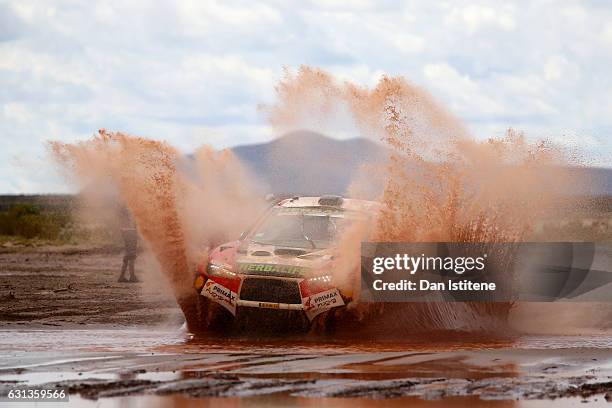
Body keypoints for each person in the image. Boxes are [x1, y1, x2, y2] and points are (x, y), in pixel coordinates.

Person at [117, 206, 139, 283]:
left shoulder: (123, 212)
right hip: (131, 232)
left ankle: (122, 276)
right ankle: (132, 276)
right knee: (131, 254)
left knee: (128, 255)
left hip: (126, 232)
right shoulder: (129, 211)